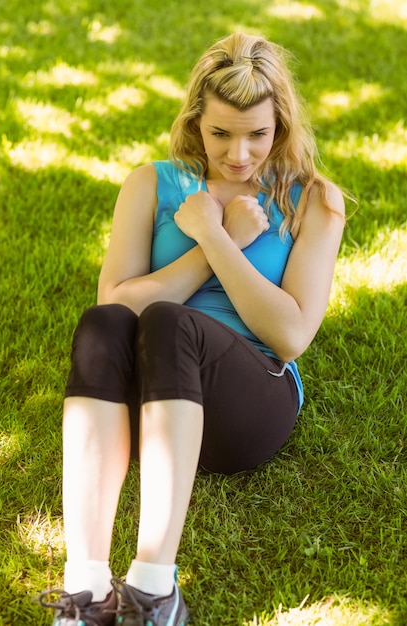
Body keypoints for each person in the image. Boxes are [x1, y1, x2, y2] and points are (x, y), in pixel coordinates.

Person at [39, 31, 345, 626]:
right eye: (221, 133)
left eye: (257, 134)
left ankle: (155, 590)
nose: (238, 154)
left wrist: (217, 236)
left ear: (280, 125)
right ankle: (87, 590)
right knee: (104, 321)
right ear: (195, 122)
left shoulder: (314, 200)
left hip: (249, 400)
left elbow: (290, 336)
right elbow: (116, 306)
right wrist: (215, 239)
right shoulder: (151, 184)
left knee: (171, 322)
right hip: (148, 396)